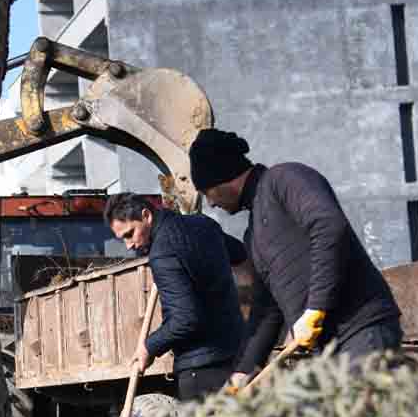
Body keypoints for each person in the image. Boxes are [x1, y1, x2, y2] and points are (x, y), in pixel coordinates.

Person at [185, 129, 403, 387]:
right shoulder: (253, 233)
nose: (210, 204)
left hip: (361, 329)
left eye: (207, 192)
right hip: (327, 347)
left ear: (222, 179)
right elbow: (267, 308)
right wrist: (242, 372)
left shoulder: (286, 178)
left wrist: (315, 309)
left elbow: (329, 225)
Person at [105, 193, 246, 401]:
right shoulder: (204, 224)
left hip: (200, 370)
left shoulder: (162, 253)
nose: (129, 245)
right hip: (237, 356)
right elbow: (239, 253)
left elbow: (184, 319)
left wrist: (149, 346)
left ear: (146, 216)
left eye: (130, 234)